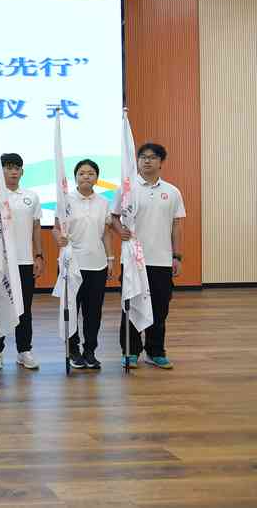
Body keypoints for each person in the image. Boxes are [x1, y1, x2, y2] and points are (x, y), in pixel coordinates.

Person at [112, 142, 186, 369]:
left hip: (162, 260)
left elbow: (177, 226)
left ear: (161, 162)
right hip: (133, 260)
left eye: (152, 157)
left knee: (160, 308)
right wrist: (120, 230)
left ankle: (155, 351)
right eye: (143, 156)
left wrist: (177, 256)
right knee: (131, 306)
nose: (147, 161)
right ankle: (130, 351)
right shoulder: (127, 189)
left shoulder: (172, 192)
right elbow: (113, 217)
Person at [53, 159, 116, 370]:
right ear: (75, 177)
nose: (86, 176)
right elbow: (56, 229)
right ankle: (73, 350)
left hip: (97, 264)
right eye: (81, 173)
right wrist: (59, 238)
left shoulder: (103, 202)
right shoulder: (65, 200)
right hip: (71, 264)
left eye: (90, 173)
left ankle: (90, 351)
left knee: (93, 311)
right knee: (72, 309)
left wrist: (110, 258)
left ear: (97, 178)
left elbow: (106, 233)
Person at [0, 153, 44, 370]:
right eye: (8, 168)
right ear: (0, 171)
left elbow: (36, 227)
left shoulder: (31, 197)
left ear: (22, 171)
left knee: (24, 308)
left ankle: (24, 350)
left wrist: (39, 255)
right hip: (1, 262)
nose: (13, 172)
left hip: (25, 261)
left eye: (17, 168)